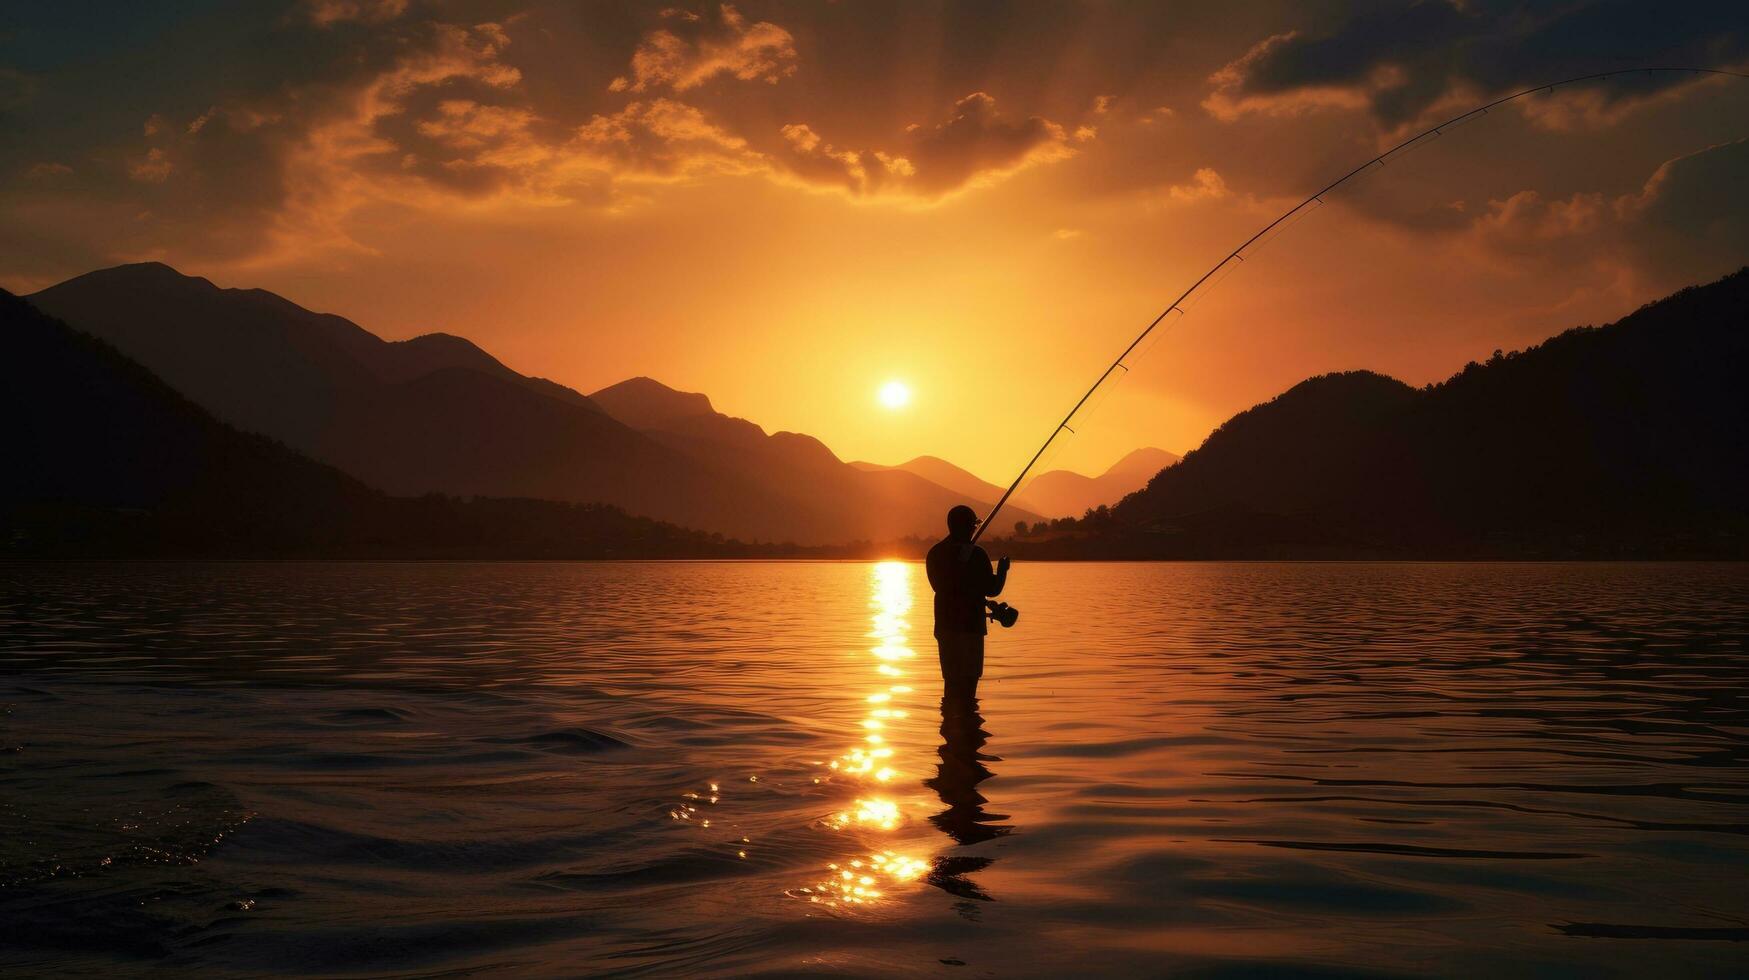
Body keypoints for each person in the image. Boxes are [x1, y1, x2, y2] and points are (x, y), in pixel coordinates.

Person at [925, 504, 1010, 704]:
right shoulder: (977, 554)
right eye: (972, 526)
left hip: (946, 629)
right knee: (969, 685)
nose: (974, 529)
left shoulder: (935, 553)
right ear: (966, 527)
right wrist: (1003, 569)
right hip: (971, 629)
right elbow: (993, 588)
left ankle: (952, 728)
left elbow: (938, 585)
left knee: (951, 683)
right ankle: (968, 729)